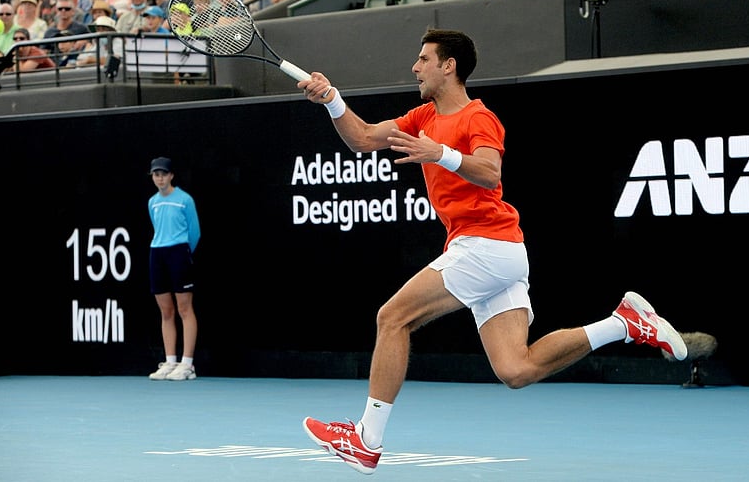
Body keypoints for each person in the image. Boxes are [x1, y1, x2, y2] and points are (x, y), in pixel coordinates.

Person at [297, 29, 689, 475]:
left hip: (486, 244)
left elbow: (488, 171)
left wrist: (439, 153)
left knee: (392, 317)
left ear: (449, 66)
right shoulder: (422, 115)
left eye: (424, 59)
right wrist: (331, 99)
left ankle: (366, 440)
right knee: (516, 370)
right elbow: (364, 138)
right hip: (498, 253)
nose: (415, 67)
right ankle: (623, 324)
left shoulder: (478, 117)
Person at [147, 156, 201, 382]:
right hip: (157, 253)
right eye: (155, 174)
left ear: (171, 176)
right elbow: (156, 227)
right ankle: (170, 361)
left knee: (184, 308)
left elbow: (195, 232)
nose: (159, 178)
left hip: (179, 253)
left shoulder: (185, 200)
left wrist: (182, 252)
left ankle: (187, 364)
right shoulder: (152, 202)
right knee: (165, 310)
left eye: (163, 174)